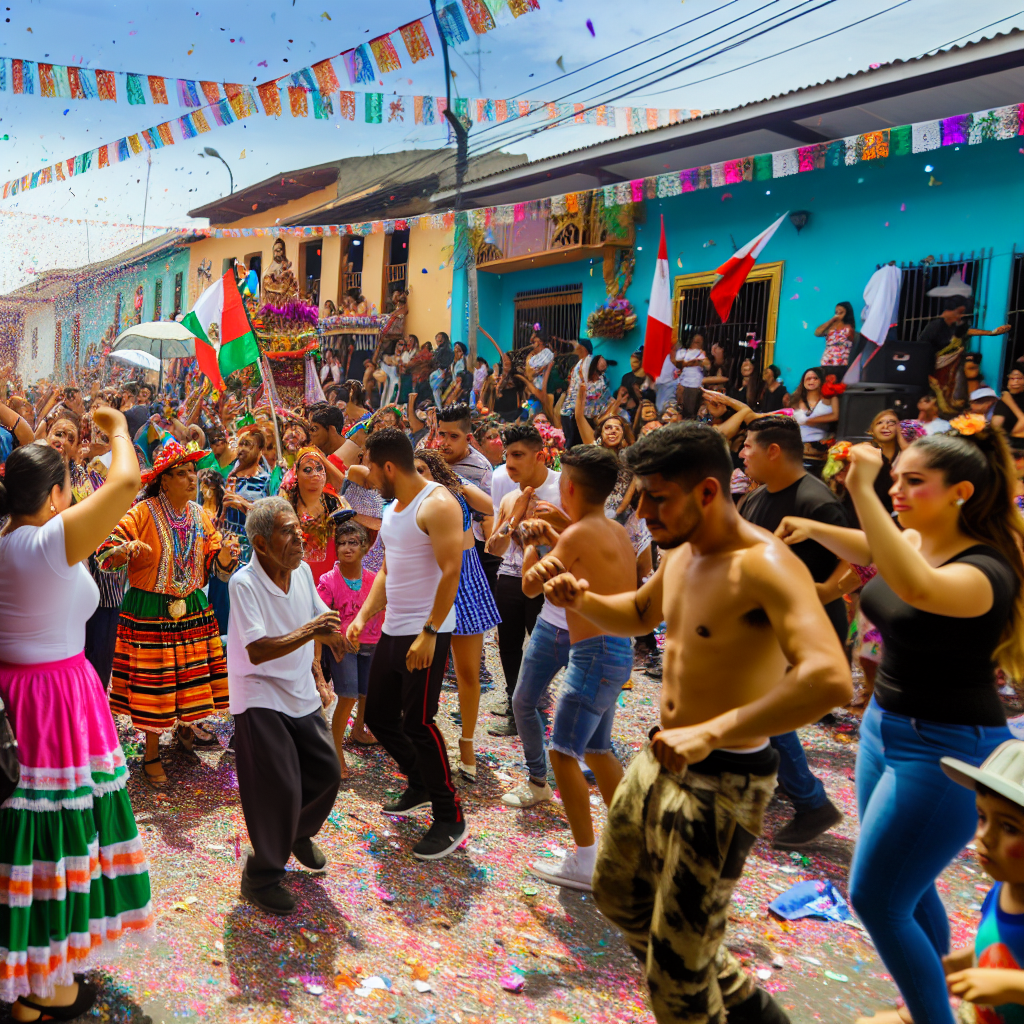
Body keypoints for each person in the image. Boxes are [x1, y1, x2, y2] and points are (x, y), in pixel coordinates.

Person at [541, 423, 851, 1024]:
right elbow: (636, 614)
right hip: (661, 760)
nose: (642, 511)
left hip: (726, 782)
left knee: (676, 984)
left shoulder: (765, 565)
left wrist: (713, 729)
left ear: (708, 492)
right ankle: (734, 997)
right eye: (640, 495)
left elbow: (829, 678)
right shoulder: (681, 554)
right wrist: (578, 598)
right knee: (618, 894)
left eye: (658, 497)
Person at [775, 417, 1024, 1024]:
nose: (897, 489)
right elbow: (876, 552)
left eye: (914, 481)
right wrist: (814, 525)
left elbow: (914, 586)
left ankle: (929, 1013)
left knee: (878, 897)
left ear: (960, 492)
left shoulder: (985, 570)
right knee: (912, 889)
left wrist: (860, 489)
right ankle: (932, 1002)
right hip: (886, 728)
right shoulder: (916, 541)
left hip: (947, 751)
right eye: (895, 479)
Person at [0, 408, 155, 1021]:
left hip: (18, 699)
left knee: (23, 837)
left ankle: (30, 981)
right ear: (58, 494)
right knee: (53, 836)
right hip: (53, 701)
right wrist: (118, 429)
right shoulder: (45, 544)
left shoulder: (11, 540)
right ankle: (43, 984)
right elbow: (124, 484)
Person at [507, 446, 635, 891]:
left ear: (570, 488)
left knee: (563, 753)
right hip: (617, 650)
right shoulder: (615, 529)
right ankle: (630, 846)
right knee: (598, 751)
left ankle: (585, 859)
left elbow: (528, 586)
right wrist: (557, 531)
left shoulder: (577, 535)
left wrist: (531, 542)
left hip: (593, 653)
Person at [347, 428, 467, 859]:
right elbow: (386, 571)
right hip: (395, 630)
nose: (367, 475)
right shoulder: (393, 508)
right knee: (379, 717)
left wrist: (431, 632)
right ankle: (419, 783)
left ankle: (450, 815)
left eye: (371, 466)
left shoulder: (437, 504)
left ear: (389, 467)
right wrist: (364, 614)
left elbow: (452, 570)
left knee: (419, 723)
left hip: (427, 634)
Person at [99, 443, 240, 788]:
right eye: (181, 473)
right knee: (155, 684)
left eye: (192, 472)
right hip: (149, 610)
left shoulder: (199, 514)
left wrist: (223, 556)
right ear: (164, 481)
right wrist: (124, 550)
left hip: (190, 606)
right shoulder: (142, 513)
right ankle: (151, 753)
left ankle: (185, 732)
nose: (191, 478)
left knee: (188, 677)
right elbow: (105, 552)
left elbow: (214, 561)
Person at [229, 496, 343, 916]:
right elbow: (257, 650)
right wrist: (313, 628)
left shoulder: (303, 573)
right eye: (287, 532)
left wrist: (334, 635)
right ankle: (260, 876)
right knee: (280, 786)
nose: (299, 538)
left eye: (298, 529)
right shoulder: (243, 583)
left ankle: (296, 833)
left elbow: (319, 615)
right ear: (260, 544)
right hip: (258, 694)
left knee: (327, 771)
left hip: (298, 691)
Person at [739, 415, 848, 846]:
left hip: (805, 629)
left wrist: (819, 594)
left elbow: (856, 560)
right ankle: (787, 783)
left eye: (748, 446)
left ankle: (811, 802)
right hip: (766, 622)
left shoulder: (816, 501)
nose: (742, 453)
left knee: (768, 708)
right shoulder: (756, 497)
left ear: (774, 451)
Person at [413, 448, 500, 780]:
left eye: (424, 468)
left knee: (468, 672)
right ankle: (425, 741)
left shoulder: (456, 487)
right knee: (423, 673)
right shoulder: (408, 501)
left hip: (464, 579)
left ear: (436, 470)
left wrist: (458, 484)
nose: (418, 475)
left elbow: (492, 506)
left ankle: (466, 743)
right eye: (413, 470)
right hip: (427, 584)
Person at [485, 424, 564, 735]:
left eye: (517, 455)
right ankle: (517, 707)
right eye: (507, 456)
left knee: (545, 647)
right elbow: (495, 547)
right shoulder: (510, 495)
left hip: (548, 579)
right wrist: (514, 518)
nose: (510, 463)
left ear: (540, 456)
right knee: (508, 645)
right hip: (509, 576)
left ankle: (535, 702)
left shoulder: (562, 488)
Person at [938, 741, 1024, 1020]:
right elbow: (1001, 945)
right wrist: (963, 961)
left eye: (1009, 827)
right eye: (982, 817)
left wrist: (1012, 986)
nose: (983, 836)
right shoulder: (1002, 889)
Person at [316, 520, 381, 771]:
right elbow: (319, 615)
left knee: (365, 693)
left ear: (365, 547)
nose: (347, 548)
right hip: (342, 647)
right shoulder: (329, 581)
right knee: (348, 696)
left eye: (353, 543)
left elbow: (382, 608)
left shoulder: (374, 580)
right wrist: (336, 635)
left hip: (371, 643)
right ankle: (335, 752)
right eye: (341, 543)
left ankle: (358, 730)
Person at [282, 447, 352, 585]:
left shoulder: (335, 503)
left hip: (331, 582)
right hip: (297, 581)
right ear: (296, 474)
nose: (315, 474)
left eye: (320, 469)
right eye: (307, 470)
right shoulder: (287, 505)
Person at [815, 301, 857, 373]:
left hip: (842, 362)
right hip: (827, 360)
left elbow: (853, 343)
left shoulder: (849, 328)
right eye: (836, 312)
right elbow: (817, 333)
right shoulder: (830, 328)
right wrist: (832, 320)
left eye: (841, 312)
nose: (838, 315)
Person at [674, 333, 707, 418]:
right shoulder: (682, 352)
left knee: (691, 412)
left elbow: (706, 364)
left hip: (695, 384)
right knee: (680, 409)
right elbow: (679, 363)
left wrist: (688, 363)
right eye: (695, 341)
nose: (697, 342)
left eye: (699, 342)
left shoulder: (702, 354)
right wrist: (695, 362)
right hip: (682, 383)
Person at [992, 364, 1024, 436]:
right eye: (1012, 378)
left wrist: (1009, 402)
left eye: (1019, 378)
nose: (1015, 382)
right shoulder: (1003, 402)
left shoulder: (1007, 399)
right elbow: (996, 426)